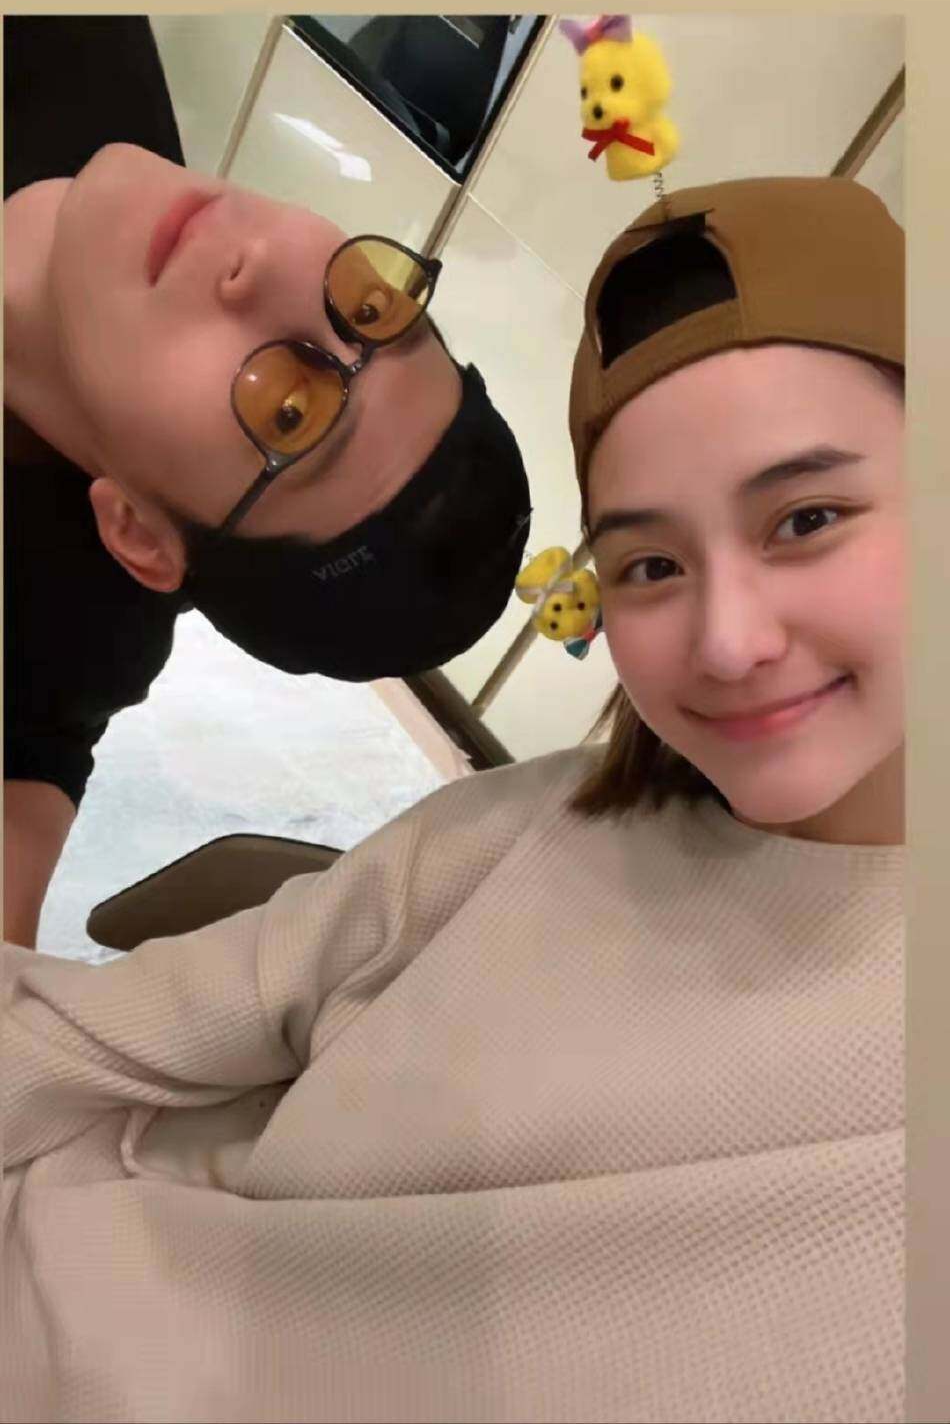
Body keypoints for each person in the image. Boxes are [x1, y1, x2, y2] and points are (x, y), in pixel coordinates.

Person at [3, 176, 904, 1424]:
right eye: (647, 562)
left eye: (805, 518)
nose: (727, 640)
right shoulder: (521, 835)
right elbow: (75, 1042)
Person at [3, 17, 532, 947]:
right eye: (367, 305)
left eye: (287, 412)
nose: (271, 266)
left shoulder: (64, 616)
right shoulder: (76, 29)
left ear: (140, 534)